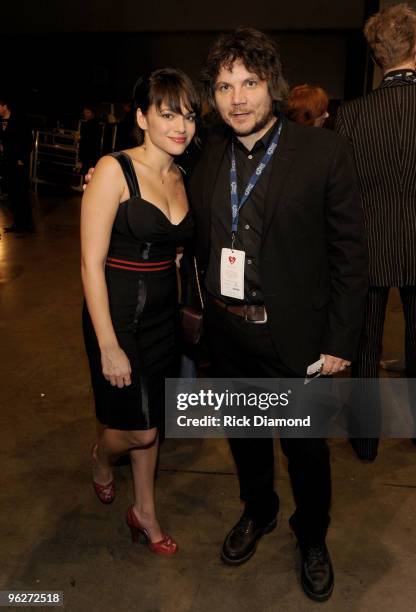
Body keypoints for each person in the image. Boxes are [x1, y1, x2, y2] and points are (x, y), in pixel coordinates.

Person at [189, 28, 367, 601]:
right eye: (224, 86)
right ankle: (258, 511)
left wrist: (342, 338)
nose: (237, 98)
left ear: (273, 86)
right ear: (212, 96)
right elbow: (153, 179)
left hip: (295, 338)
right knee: (244, 438)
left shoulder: (322, 150)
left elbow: (349, 255)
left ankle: (311, 535)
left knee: (306, 451)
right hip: (227, 331)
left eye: (250, 82)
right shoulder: (209, 151)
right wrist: (107, 178)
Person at [81, 68, 198, 555]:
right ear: (141, 117)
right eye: (167, 113)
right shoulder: (113, 169)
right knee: (139, 426)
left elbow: (176, 245)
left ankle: (144, 511)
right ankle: (100, 456)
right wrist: (108, 344)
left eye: (188, 115)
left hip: (164, 317)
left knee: (155, 422)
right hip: (118, 314)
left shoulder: (182, 173)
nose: (180, 126)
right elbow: (90, 263)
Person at [336, 3, 416, 461]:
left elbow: (341, 196)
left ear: (377, 55)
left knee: (363, 348)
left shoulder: (351, 115)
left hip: (367, 248)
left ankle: (364, 442)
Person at [0, 95, 33, 232]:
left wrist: (22, 158)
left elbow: (28, 141)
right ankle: (17, 223)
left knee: (21, 193)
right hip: (6, 162)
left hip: (18, 162)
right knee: (12, 194)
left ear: (5, 106)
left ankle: (26, 224)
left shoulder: (19, 121)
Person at [79, 104, 102, 174]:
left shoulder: (90, 125)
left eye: (88, 113)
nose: (85, 115)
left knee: (87, 172)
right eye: (85, 113)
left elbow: (86, 140)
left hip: (89, 154)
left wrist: (80, 138)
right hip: (92, 154)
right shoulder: (96, 124)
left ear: (92, 113)